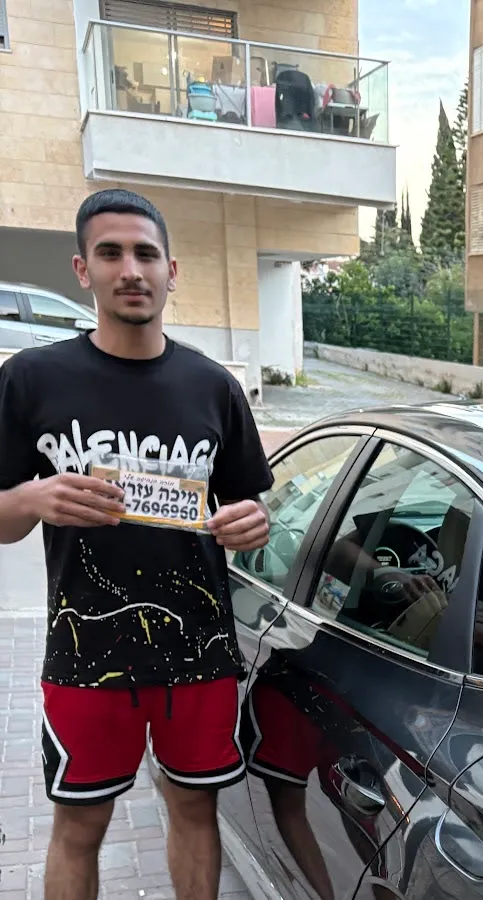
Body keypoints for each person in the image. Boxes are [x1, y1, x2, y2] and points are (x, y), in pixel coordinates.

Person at [0, 189, 274, 900]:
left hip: (200, 652)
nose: (131, 269)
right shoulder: (30, 379)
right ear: (82, 269)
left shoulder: (213, 387)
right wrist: (31, 499)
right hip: (84, 650)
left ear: (170, 271)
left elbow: (249, 507)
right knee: (79, 824)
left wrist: (253, 523)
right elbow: (3, 519)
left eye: (146, 254)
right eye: (110, 253)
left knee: (194, 809)